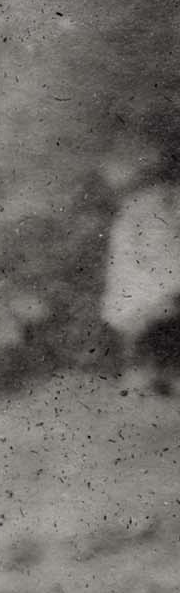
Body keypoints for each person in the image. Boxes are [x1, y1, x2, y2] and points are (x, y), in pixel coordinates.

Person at [101, 131, 180, 396]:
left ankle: (162, 372)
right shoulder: (136, 210)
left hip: (163, 281)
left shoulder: (167, 201)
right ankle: (142, 371)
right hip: (144, 284)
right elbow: (128, 256)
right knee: (140, 314)